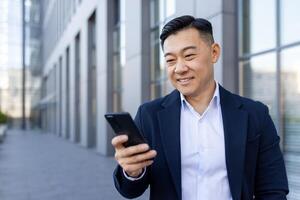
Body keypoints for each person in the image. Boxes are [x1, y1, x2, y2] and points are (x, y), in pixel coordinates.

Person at [111, 15, 289, 200]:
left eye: (189, 56)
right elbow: (129, 191)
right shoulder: (149, 115)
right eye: (170, 60)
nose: (179, 68)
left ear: (214, 52)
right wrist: (132, 172)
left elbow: (273, 189)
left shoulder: (255, 114)